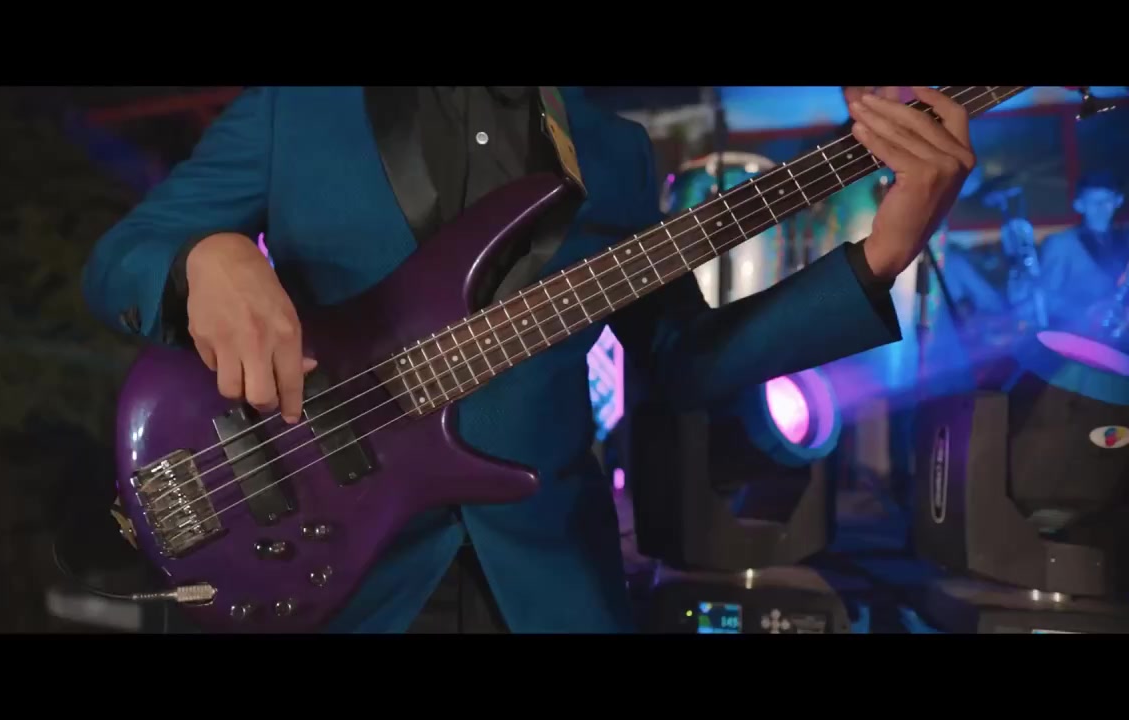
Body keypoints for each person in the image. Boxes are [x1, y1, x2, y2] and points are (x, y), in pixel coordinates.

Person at [82, 86, 976, 633]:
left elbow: (684, 362)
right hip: (336, 565)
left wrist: (880, 257)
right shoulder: (300, 106)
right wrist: (205, 257)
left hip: (550, 587)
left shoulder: (612, 150)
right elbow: (123, 257)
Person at [1038, 171, 1128, 330]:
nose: (1101, 207)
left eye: (1107, 200)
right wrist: (1087, 312)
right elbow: (1047, 296)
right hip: (1080, 334)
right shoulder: (1061, 243)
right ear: (1079, 205)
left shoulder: (1125, 238)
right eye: (1093, 202)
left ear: (1118, 201)